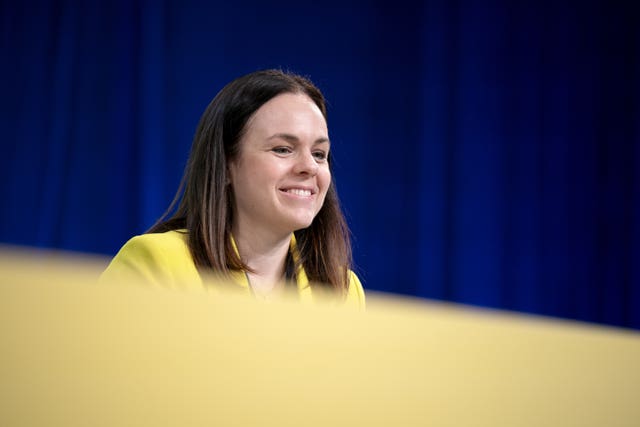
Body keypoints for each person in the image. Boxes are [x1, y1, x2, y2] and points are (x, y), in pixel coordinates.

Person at [100, 69, 365, 307]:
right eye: (283, 149)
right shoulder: (156, 263)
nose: (309, 166)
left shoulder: (344, 291)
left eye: (319, 154)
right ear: (226, 165)